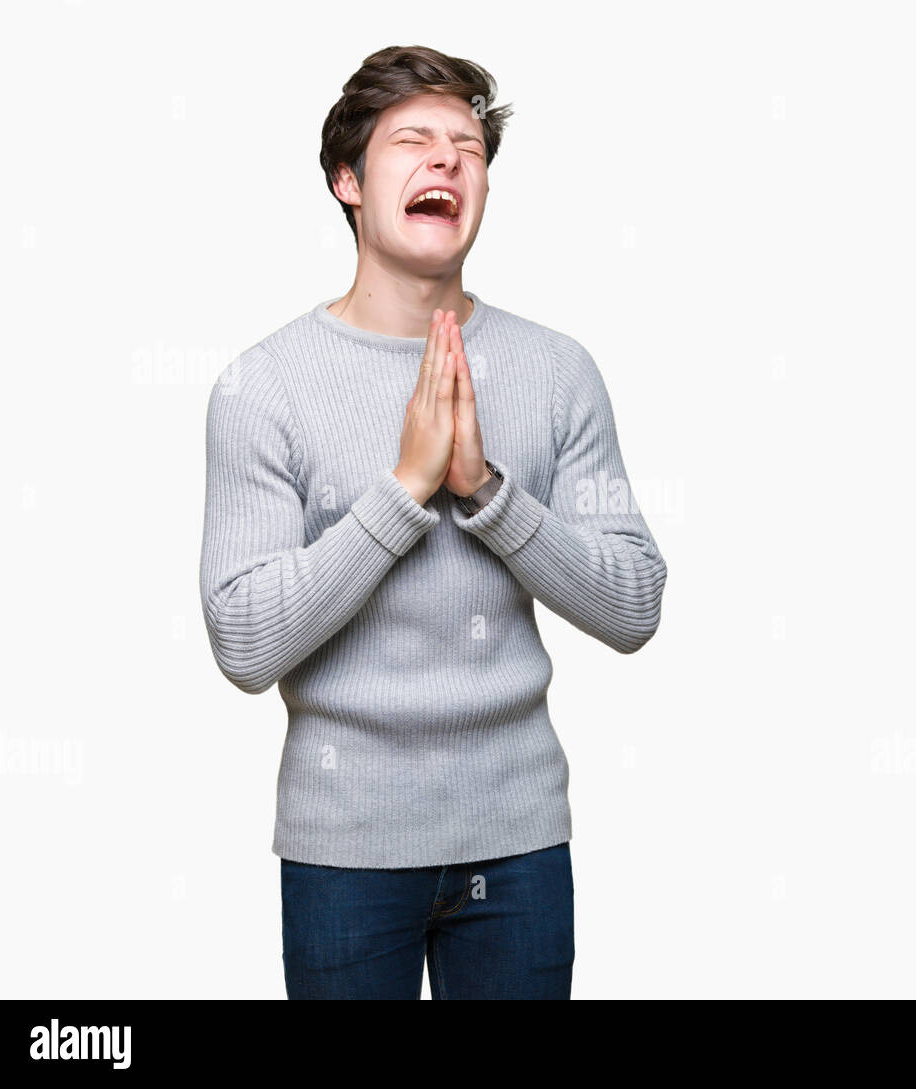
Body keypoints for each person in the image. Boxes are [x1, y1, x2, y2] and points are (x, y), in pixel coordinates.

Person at [198, 44, 667, 999]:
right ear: (347, 181)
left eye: (468, 147)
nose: (447, 160)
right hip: (346, 850)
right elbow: (245, 643)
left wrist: (488, 492)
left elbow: (635, 605)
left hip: (522, 842)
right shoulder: (263, 384)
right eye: (412, 140)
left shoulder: (557, 369)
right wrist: (406, 489)